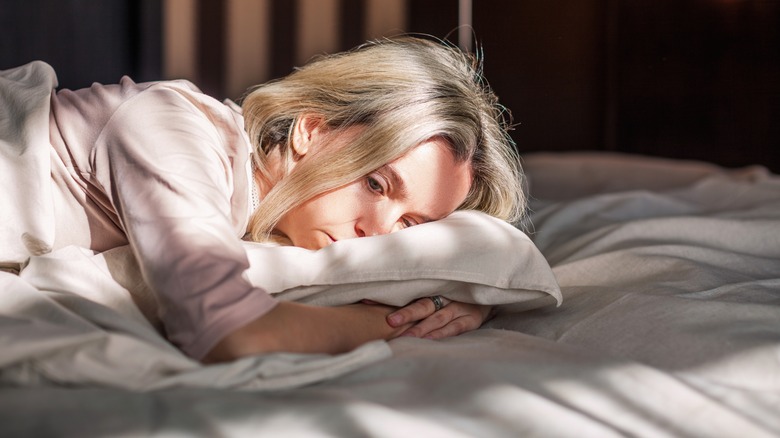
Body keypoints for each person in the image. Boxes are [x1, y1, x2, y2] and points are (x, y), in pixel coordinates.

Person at [0, 37, 526, 363]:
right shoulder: (169, 127)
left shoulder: (268, 220)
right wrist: (403, 323)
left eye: (412, 224)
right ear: (311, 131)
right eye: (376, 183)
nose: (380, 233)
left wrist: (452, 299)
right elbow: (228, 334)